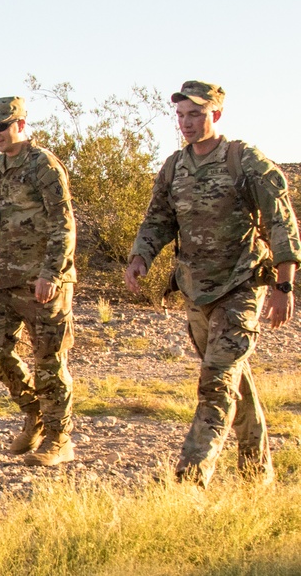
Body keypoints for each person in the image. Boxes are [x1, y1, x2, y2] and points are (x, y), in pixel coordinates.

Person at [125, 80, 301, 488]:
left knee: (215, 384)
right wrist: (140, 257)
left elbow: (281, 223)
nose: (186, 123)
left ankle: (191, 476)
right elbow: (158, 219)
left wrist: (284, 286)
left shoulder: (245, 160)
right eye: (181, 115)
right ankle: (257, 477)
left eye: (196, 115)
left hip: (240, 287)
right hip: (195, 289)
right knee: (231, 378)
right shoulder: (174, 166)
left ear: (215, 115)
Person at [0, 96, 78, 466]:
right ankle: (34, 412)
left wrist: (51, 273)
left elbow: (64, 223)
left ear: (20, 123)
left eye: (0, 126)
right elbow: (4, 215)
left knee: (49, 360)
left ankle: (58, 438)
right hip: (8, 280)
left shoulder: (43, 165)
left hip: (45, 280)